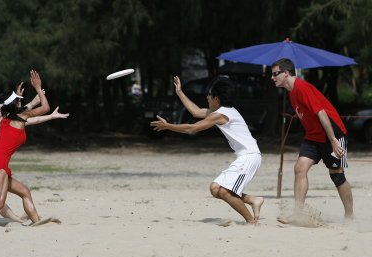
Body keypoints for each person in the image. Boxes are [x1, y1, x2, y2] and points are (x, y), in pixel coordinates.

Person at [151, 76, 264, 224]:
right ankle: (253, 200)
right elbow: (196, 112)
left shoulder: (221, 114)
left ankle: (251, 221)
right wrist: (179, 92)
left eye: (209, 95)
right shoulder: (223, 110)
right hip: (245, 156)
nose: (207, 97)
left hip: (249, 157)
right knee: (215, 188)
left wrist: (169, 126)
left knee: (224, 191)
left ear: (217, 98)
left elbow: (193, 129)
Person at [271, 58, 354, 223]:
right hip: (313, 136)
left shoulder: (302, 88)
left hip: (333, 135)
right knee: (299, 168)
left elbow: (322, 114)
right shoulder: (291, 92)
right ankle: (298, 212)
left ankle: (350, 216)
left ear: (286, 73)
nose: (272, 78)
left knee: (337, 176)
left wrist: (333, 141)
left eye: (275, 74)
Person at [0, 70, 55, 225]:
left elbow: (27, 116)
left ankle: (36, 221)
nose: (20, 102)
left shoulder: (7, 122)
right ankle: (23, 219)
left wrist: (18, 101)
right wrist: (38, 89)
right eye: (18, 101)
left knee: (24, 191)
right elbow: (43, 108)